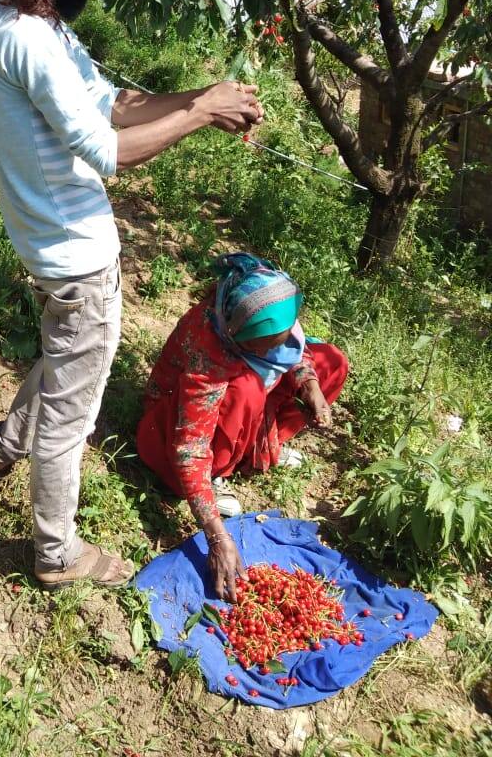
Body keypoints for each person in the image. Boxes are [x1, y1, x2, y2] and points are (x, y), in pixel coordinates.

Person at [0, 0, 264, 591]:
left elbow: (112, 104)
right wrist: (199, 118)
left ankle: (5, 443)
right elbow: (108, 151)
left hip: (53, 248)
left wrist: (203, 96)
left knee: (63, 354)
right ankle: (55, 553)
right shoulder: (32, 42)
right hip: (75, 258)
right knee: (73, 411)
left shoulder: (31, 24)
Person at [136, 252, 348, 602]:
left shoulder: (266, 306)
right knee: (247, 391)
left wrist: (310, 386)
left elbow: (294, 353)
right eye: (265, 345)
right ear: (238, 338)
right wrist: (216, 537)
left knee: (332, 362)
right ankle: (219, 470)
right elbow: (188, 448)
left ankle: (253, 446)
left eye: (282, 337)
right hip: (169, 426)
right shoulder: (209, 351)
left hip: (237, 396)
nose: (279, 346)